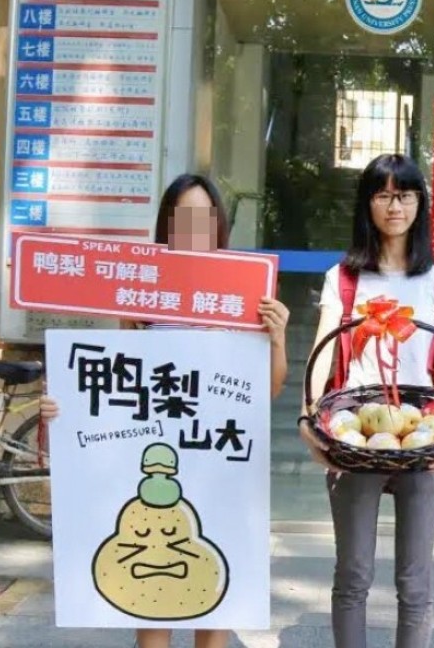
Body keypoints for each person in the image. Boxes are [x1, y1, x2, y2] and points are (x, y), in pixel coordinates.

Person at [40, 173, 290, 648]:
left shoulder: (244, 291)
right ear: (166, 226)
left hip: (219, 463)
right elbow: (114, 384)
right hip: (155, 460)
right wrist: (65, 406)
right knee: (152, 592)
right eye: (182, 218)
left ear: (219, 225)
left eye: (203, 218)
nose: (193, 229)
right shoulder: (143, 295)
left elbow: (269, 389)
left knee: (215, 592)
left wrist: (276, 338)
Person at [298, 154, 434, 648]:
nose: (394, 206)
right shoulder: (344, 278)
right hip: (355, 434)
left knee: (415, 583)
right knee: (353, 574)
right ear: (367, 204)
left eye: (404, 195)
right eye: (382, 195)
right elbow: (324, 350)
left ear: (419, 203)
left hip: (420, 435)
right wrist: (309, 416)